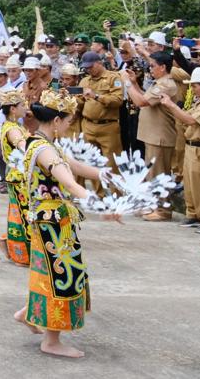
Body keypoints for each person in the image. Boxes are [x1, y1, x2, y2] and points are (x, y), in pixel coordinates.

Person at [16, 89, 121, 358]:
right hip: (52, 224)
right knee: (62, 277)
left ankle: (29, 313)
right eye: (68, 121)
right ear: (56, 121)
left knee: (50, 274)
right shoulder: (44, 150)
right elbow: (70, 182)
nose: (69, 126)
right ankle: (51, 341)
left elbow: (74, 166)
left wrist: (107, 176)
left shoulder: (43, 143)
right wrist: (102, 204)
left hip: (52, 220)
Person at [160, 66, 200, 228]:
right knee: (189, 183)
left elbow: (190, 120)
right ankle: (192, 214)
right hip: (190, 146)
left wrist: (172, 106)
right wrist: (173, 107)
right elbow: (185, 117)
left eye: (194, 86)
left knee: (199, 185)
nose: (192, 89)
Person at [121, 51, 180, 221]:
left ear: (163, 67)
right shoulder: (159, 83)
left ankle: (162, 210)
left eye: (153, 66)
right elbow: (145, 97)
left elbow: (141, 102)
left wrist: (127, 84)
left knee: (159, 174)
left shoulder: (166, 84)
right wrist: (134, 83)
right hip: (152, 135)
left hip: (160, 136)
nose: (150, 69)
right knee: (152, 174)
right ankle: (154, 206)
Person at [0, 89, 31, 265]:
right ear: (13, 109)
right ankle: (20, 254)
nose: (26, 107)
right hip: (20, 178)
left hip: (18, 176)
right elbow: (25, 148)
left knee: (21, 214)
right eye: (22, 105)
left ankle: (7, 242)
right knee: (22, 216)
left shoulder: (11, 125)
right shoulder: (13, 130)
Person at [78, 51, 124, 188]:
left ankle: (117, 195)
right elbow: (79, 103)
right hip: (88, 125)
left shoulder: (113, 78)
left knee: (112, 164)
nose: (88, 70)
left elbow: (117, 100)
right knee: (92, 164)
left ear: (99, 63)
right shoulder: (85, 81)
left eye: (90, 67)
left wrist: (97, 96)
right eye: (86, 68)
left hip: (107, 127)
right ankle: (99, 195)